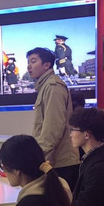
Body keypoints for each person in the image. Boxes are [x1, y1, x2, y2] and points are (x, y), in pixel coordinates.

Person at [26, 47, 80, 190]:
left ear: (46, 65)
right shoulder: (45, 86)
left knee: (61, 203)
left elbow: (53, 128)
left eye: (33, 61)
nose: (29, 66)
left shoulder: (53, 87)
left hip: (61, 162)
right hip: (53, 160)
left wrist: (36, 157)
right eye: (28, 62)